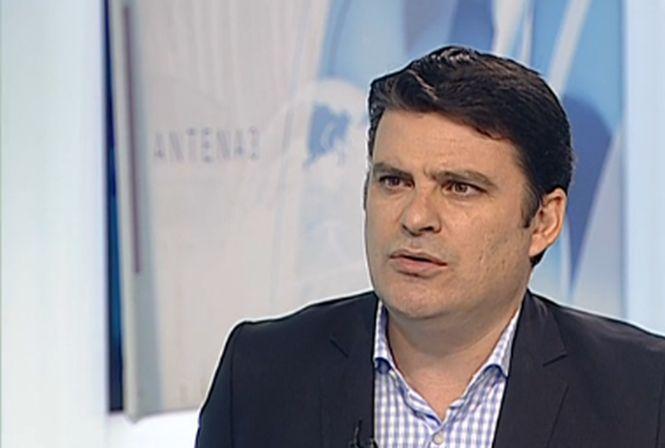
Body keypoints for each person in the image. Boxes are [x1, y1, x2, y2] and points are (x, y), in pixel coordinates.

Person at [195, 46, 665, 447]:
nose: (416, 218)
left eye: (459, 187)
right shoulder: (259, 374)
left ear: (543, 221)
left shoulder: (645, 391)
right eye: (394, 181)